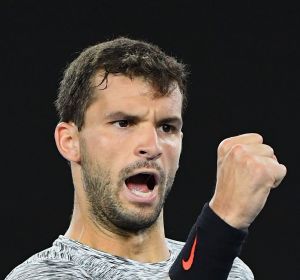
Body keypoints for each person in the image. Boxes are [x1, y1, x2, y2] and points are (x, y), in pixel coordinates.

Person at [5, 37, 286, 280]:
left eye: (167, 127)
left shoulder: (232, 271)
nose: (152, 146)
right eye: (124, 123)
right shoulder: (45, 274)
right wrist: (223, 221)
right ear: (70, 142)